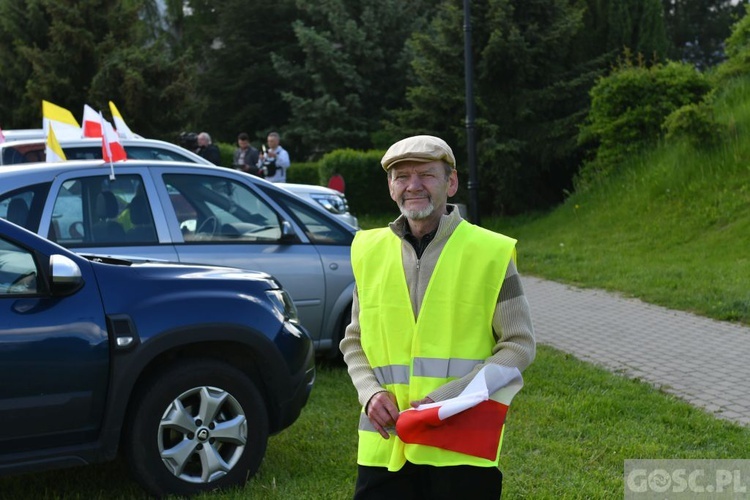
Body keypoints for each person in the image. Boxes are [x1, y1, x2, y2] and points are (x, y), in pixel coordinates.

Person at [339, 135, 536, 500]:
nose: (413, 186)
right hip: (386, 443)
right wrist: (370, 393)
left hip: (460, 439)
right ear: (390, 186)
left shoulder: (490, 252)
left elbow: (519, 346)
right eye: (401, 176)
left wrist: (449, 398)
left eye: (426, 175)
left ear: (452, 182)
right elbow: (354, 340)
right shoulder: (369, 250)